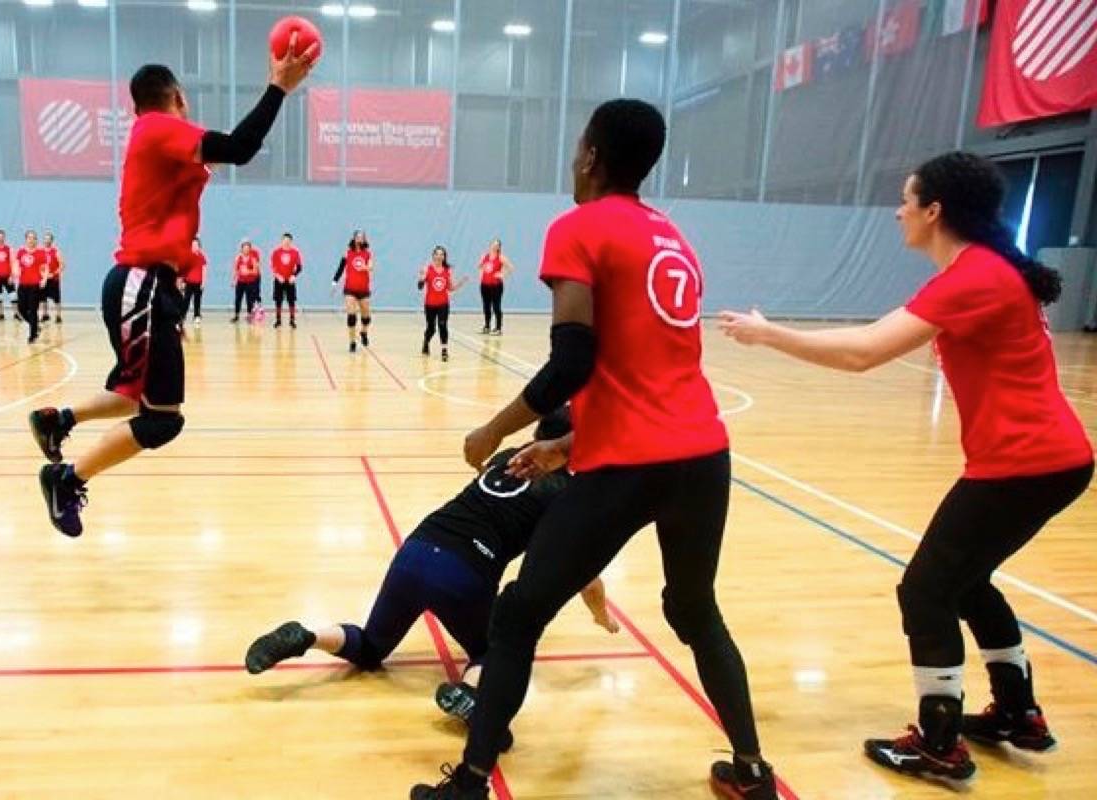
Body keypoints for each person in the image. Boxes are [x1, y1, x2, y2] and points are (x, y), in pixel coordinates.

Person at [410, 99, 775, 800]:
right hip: (703, 455)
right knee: (694, 609)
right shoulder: (674, 240)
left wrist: (496, 430)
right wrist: (566, 445)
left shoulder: (578, 228)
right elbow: (654, 375)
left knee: (519, 614)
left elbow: (572, 360)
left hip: (630, 468)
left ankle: (470, 785)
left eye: (579, 147)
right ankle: (754, 773)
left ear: (590, 156)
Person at [718, 151, 1093, 788]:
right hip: (1049, 459)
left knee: (925, 589)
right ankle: (1017, 713)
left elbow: (864, 352)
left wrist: (769, 333)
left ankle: (940, 743)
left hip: (1026, 462)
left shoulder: (976, 276)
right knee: (965, 581)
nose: (898, 212)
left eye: (906, 200)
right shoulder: (988, 268)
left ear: (934, 211)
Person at [25, 43, 317, 538]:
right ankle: (66, 479)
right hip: (141, 284)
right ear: (178, 97)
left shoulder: (161, 147)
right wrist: (278, 88)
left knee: (133, 396)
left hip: (143, 286)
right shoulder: (158, 129)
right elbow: (240, 147)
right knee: (162, 420)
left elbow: (220, 157)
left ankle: (58, 420)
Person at [245, 410, 617, 727]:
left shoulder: (507, 456)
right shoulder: (562, 494)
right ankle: (469, 692)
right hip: (466, 572)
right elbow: (584, 576)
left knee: (371, 647)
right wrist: (602, 617)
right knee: (494, 650)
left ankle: (307, 635)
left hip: (416, 550)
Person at [419, 245, 468, 362]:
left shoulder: (447, 270)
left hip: (443, 303)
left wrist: (461, 283)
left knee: (442, 325)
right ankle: (426, 342)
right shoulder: (427, 269)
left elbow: (450, 288)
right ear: (433, 256)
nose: (439, 256)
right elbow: (420, 287)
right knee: (431, 328)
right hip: (430, 304)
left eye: (442, 254)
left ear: (444, 257)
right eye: (437, 254)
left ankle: (444, 350)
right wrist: (421, 278)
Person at [332, 229, 374, 352]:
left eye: (362, 237)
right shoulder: (348, 253)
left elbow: (371, 267)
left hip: (363, 289)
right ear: (354, 239)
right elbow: (340, 268)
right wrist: (334, 282)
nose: (360, 239)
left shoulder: (367, 254)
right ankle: (352, 342)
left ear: (364, 240)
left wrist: (365, 267)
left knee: (366, 317)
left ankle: (364, 332)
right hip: (350, 288)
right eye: (358, 237)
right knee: (351, 315)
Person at [14, 230, 47, 344]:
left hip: (35, 285)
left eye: (33, 238)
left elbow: (45, 267)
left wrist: (44, 279)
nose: (31, 240)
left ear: (36, 240)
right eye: (29, 238)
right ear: (26, 239)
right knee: (21, 309)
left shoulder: (40, 252)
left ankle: (32, 335)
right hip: (23, 284)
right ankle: (36, 326)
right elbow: (16, 264)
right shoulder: (21, 251)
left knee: (33, 310)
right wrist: (16, 272)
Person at [478, 239, 512, 336]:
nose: (495, 246)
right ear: (490, 245)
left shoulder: (501, 257)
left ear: (499, 247)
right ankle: (487, 326)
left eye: (497, 245)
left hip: (496, 286)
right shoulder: (485, 256)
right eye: (493, 244)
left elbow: (510, 268)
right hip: (485, 285)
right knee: (486, 306)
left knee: (496, 306)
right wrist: (481, 275)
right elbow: (480, 266)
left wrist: (502, 275)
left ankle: (498, 328)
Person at [271, 232, 302, 328]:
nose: (286, 242)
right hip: (279, 280)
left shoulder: (295, 252)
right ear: (281, 241)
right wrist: (277, 276)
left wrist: (294, 276)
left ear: (291, 242)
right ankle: (278, 320)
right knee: (278, 300)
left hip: (290, 280)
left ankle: (292, 320)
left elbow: (299, 267)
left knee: (291, 301)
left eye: (288, 241)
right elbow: (273, 267)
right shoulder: (276, 252)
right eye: (284, 240)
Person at [231, 240, 262, 323]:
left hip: (250, 282)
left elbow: (256, 271)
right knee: (238, 299)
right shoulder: (238, 258)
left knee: (249, 299)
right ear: (241, 249)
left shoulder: (253, 259)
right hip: (240, 282)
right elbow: (235, 270)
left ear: (250, 249)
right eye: (244, 248)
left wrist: (248, 271)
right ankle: (236, 315)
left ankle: (249, 315)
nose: (246, 250)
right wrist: (233, 280)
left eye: (247, 249)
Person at [180, 236, 206, 329]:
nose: (194, 246)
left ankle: (197, 316)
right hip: (189, 282)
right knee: (186, 300)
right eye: (193, 245)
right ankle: (182, 316)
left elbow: (204, 270)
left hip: (198, 282)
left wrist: (203, 282)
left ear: (199, 246)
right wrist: (183, 281)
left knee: (197, 300)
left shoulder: (201, 256)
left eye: (196, 245)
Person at [40, 231, 65, 324]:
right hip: (43, 279)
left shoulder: (56, 252)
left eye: (49, 239)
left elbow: (62, 265)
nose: (47, 241)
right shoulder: (40, 252)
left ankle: (58, 316)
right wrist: (42, 275)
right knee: (43, 298)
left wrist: (53, 274)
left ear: (51, 241)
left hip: (53, 279)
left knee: (56, 299)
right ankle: (45, 315)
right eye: (45, 239)